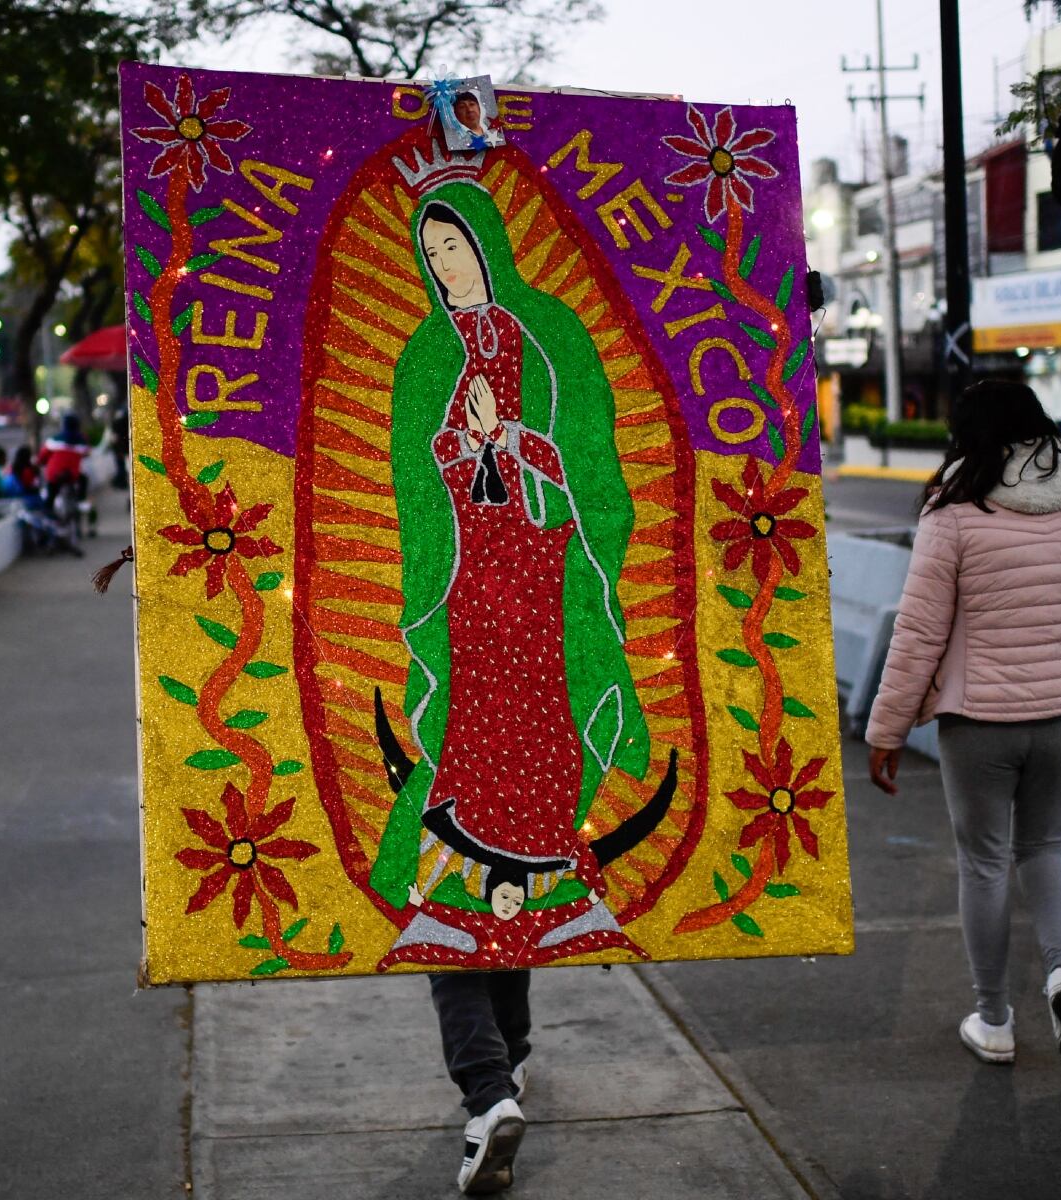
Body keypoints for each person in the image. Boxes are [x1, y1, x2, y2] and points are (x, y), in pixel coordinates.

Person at [378, 181, 653, 1192]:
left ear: (490, 245)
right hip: (465, 597)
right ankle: (509, 1063)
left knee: (520, 812)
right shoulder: (422, 355)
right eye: (433, 256)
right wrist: (458, 449)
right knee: (477, 805)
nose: (449, 271)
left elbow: (592, 465)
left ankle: (490, 1083)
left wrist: (516, 444)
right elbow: (415, 475)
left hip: (539, 586)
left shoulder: (547, 337)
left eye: (459, 250)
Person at [865, 380, 1061, 1066]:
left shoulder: (953, 511)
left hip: (979, 720)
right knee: (1046, 847)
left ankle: (994, 1022)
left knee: (984, 864)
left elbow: (919, 633)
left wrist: (887, 729)